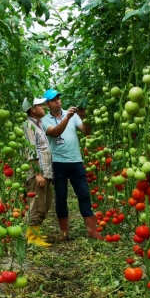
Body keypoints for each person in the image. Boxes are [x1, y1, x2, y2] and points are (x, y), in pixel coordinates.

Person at [40, 89, 104, 241]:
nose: (57, 101)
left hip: (76, 161)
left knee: (84, 195)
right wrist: (68, 118)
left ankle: (91, 231)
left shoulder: (73, 116)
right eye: (53, 99)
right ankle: (64, 233)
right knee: (61, 197)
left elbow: (86, 131)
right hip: (57, 163)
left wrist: (85, 117)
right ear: (47, 103)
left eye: (58, 98)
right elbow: (54, 133)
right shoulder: (45, 120)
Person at [21, 97, 54, 247]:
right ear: (33, 109)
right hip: (37, 173)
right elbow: (30, 150)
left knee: (45, 204)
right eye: (41, 105)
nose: (44, 107)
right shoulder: (28, 125)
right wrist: (38, 173)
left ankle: (36, 232)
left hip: (45, 171)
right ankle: (32, 238)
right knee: (37, 205)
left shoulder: (38, 125)